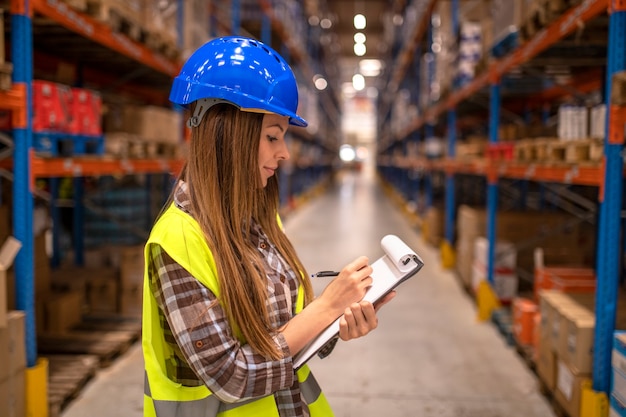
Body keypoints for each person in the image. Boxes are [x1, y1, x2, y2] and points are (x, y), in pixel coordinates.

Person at [142, 36, 395, 417]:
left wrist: (339, 318)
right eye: (273, 136)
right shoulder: (178, 241)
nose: (285, 153)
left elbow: (288, 328)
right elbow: (233, 377)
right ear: (228, 134)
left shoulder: (259, 220)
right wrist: (326, 307)